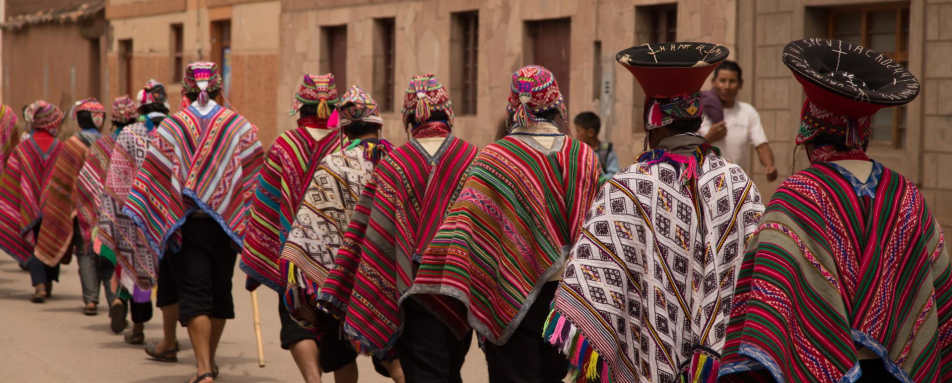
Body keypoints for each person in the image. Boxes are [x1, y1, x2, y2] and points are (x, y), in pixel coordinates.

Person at [718, 39, 951, 383]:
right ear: (865, 135)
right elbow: (938, 283)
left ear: (808, 135)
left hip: (814, 369)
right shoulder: (907, 195)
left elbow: (768, 292)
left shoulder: (797, 196)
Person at [542, 42, 765, 383]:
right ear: (696, 117)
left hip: (645, 360)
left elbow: (594, 280)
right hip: (720, 369)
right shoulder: (739, 184)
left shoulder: (626, 188)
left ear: (652, 122)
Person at [407, 65, 600, 382]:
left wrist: (435, 271)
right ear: (557, 104)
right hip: (569, 299)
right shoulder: (584, 156)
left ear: (514, 106)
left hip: (509, 291)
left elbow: (466, 225)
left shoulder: (496, 157)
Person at [316, 75, 479, 383]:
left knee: (426, 371)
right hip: (461, 288)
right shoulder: (473, 159)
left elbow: (373, 235)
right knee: (450, 367)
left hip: (414, 290)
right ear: (448, 113)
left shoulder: (393, 165)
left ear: (408, 117)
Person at [123, 62, 263, 383]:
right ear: (217, 88)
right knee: (219, 292)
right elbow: (255, 174)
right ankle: (208, 362)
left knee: (196, 292)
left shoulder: (173, 127)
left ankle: (203, 369)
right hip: (226, 226)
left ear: (185, 91)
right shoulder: (238, 125)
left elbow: (154, 175)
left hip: (186, 225)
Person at [280, 84, 397, 383]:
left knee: (341, 352)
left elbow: (310, 230)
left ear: (344, 131)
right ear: (377, 124)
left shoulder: (334, 165)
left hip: (341, 278)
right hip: (390, 275)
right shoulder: (398, 163)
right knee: (395, 357)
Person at [239, 73, 344, 383]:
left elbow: (266, 207)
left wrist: (258, 256)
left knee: (298, 321)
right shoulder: (344, 144)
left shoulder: (285, 146)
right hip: (339, 259)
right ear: (333, 108)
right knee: (338, 336)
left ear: (300, 107)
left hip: (294, 259)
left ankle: (313, 381)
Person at [32, 99, 109, 314]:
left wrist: (57, 206)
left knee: (84, 253)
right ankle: (115, 301)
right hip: (104, 210)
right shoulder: (107, 144)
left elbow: (62, 181)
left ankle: (91, 300)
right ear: (99, 120)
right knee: (107, 254)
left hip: (80, 210)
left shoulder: (71, 146)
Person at [0, 101, 65, 301]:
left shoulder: (23, 149)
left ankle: (39, 285)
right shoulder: (61, 148)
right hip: (54, 208)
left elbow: (11, 179)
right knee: (51, 242)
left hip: (29, 208)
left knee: (34, 245)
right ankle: (48, 282)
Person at [698, 60, 778, 181]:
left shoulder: (748, 111)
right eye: (722, 80)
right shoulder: (699, 111)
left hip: (737, 184)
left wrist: (769, 166)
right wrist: (708, 138)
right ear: (713, 82)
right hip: (706, 183)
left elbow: (761, 145)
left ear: (740, 84)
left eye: (732, 81)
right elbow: (687, 150)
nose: (727, 86)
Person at [573, 111, 619, 182]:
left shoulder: (606, 150)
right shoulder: (578, 151)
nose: (576, 135)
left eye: (578, 131)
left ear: (590, 133)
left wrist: (597, 181)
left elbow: (614, 173)